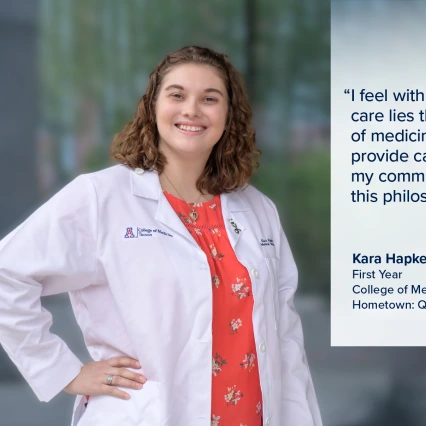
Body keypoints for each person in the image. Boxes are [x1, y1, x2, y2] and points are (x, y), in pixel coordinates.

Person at [0, 45, 322, 426]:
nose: (192, 110)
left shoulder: (258, 209)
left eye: (210, 98)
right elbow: (7, 272)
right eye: (177, 95)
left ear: (228, 115)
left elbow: (285, 338)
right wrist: (63, 371)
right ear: (153, 106)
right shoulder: (101, 198)